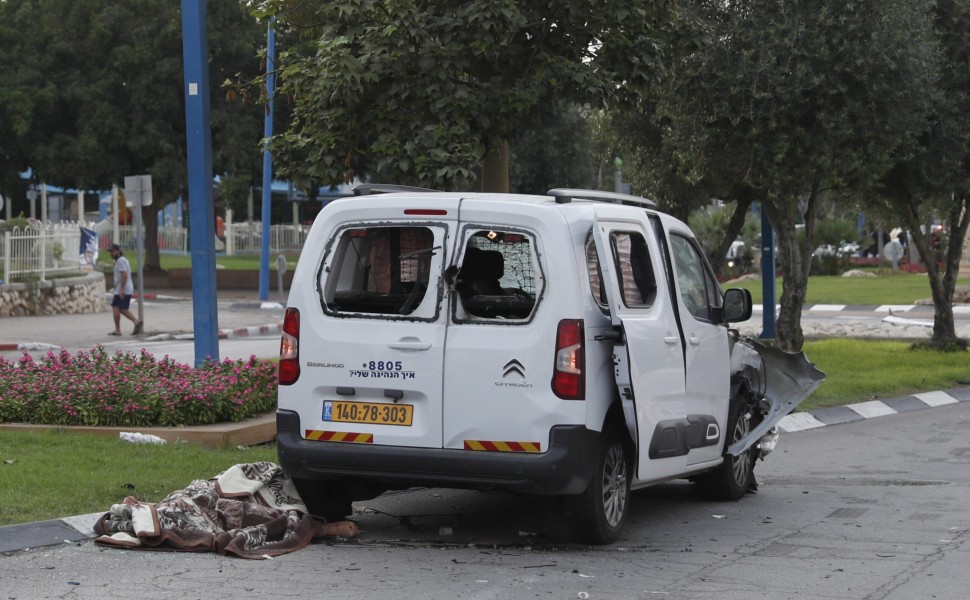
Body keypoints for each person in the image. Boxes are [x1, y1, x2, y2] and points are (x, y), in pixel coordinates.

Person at [108, 243, 142, 335]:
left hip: (123, 289)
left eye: (113, 251)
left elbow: (124, 274)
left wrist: (122, 289)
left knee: (118, 308)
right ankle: (121, 328)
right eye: (110, 252)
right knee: (120, 308)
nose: (111, 253)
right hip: (122, 288)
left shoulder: (121, 261)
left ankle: (135, 322)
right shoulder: (121, 260)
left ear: (118, 251)